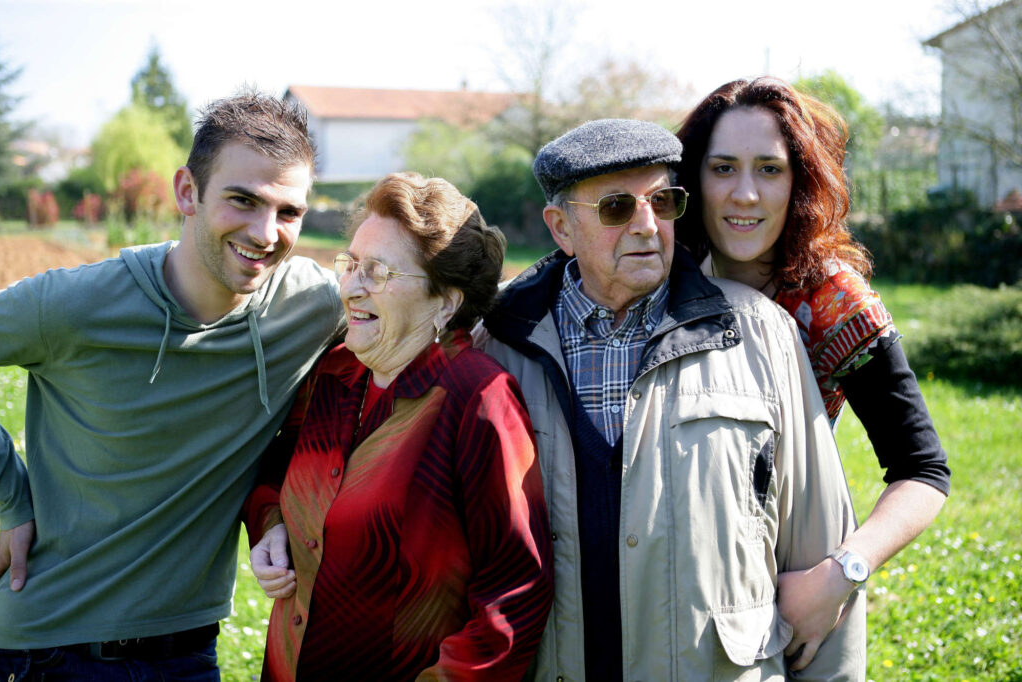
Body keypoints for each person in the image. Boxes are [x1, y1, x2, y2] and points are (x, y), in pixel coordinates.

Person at [477, 118, 865, 681]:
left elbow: (820, 539)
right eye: (616, 208)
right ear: (561, 228)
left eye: (663, 202)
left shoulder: (761, 332)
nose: (646, 226)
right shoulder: (499, 344)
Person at [0, 91, 344, 680]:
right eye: (242, 200)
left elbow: (425, 305)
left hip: (189, 654)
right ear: (188, 192)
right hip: (51, 650)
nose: (266, 234)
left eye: (289, 212)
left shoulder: (311, 304)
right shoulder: (76, 305)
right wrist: (10, 498)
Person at [675, 76, 950, 669]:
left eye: (769, 170)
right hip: (679, 562)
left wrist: (841, 574)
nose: (744, 193)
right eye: (723, 168)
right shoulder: (661, 276)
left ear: (801, 180)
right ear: (693, 178)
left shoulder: (831, 300)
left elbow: (923, 470)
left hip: (792, 560)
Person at [244, 172, 553, 681]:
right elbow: (274, 471)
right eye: (351, 265)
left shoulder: (477, 399)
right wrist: (271, 527)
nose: (351, 286)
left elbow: (516, 592)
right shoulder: (334, 373)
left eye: (378, 272)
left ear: (446, 300)